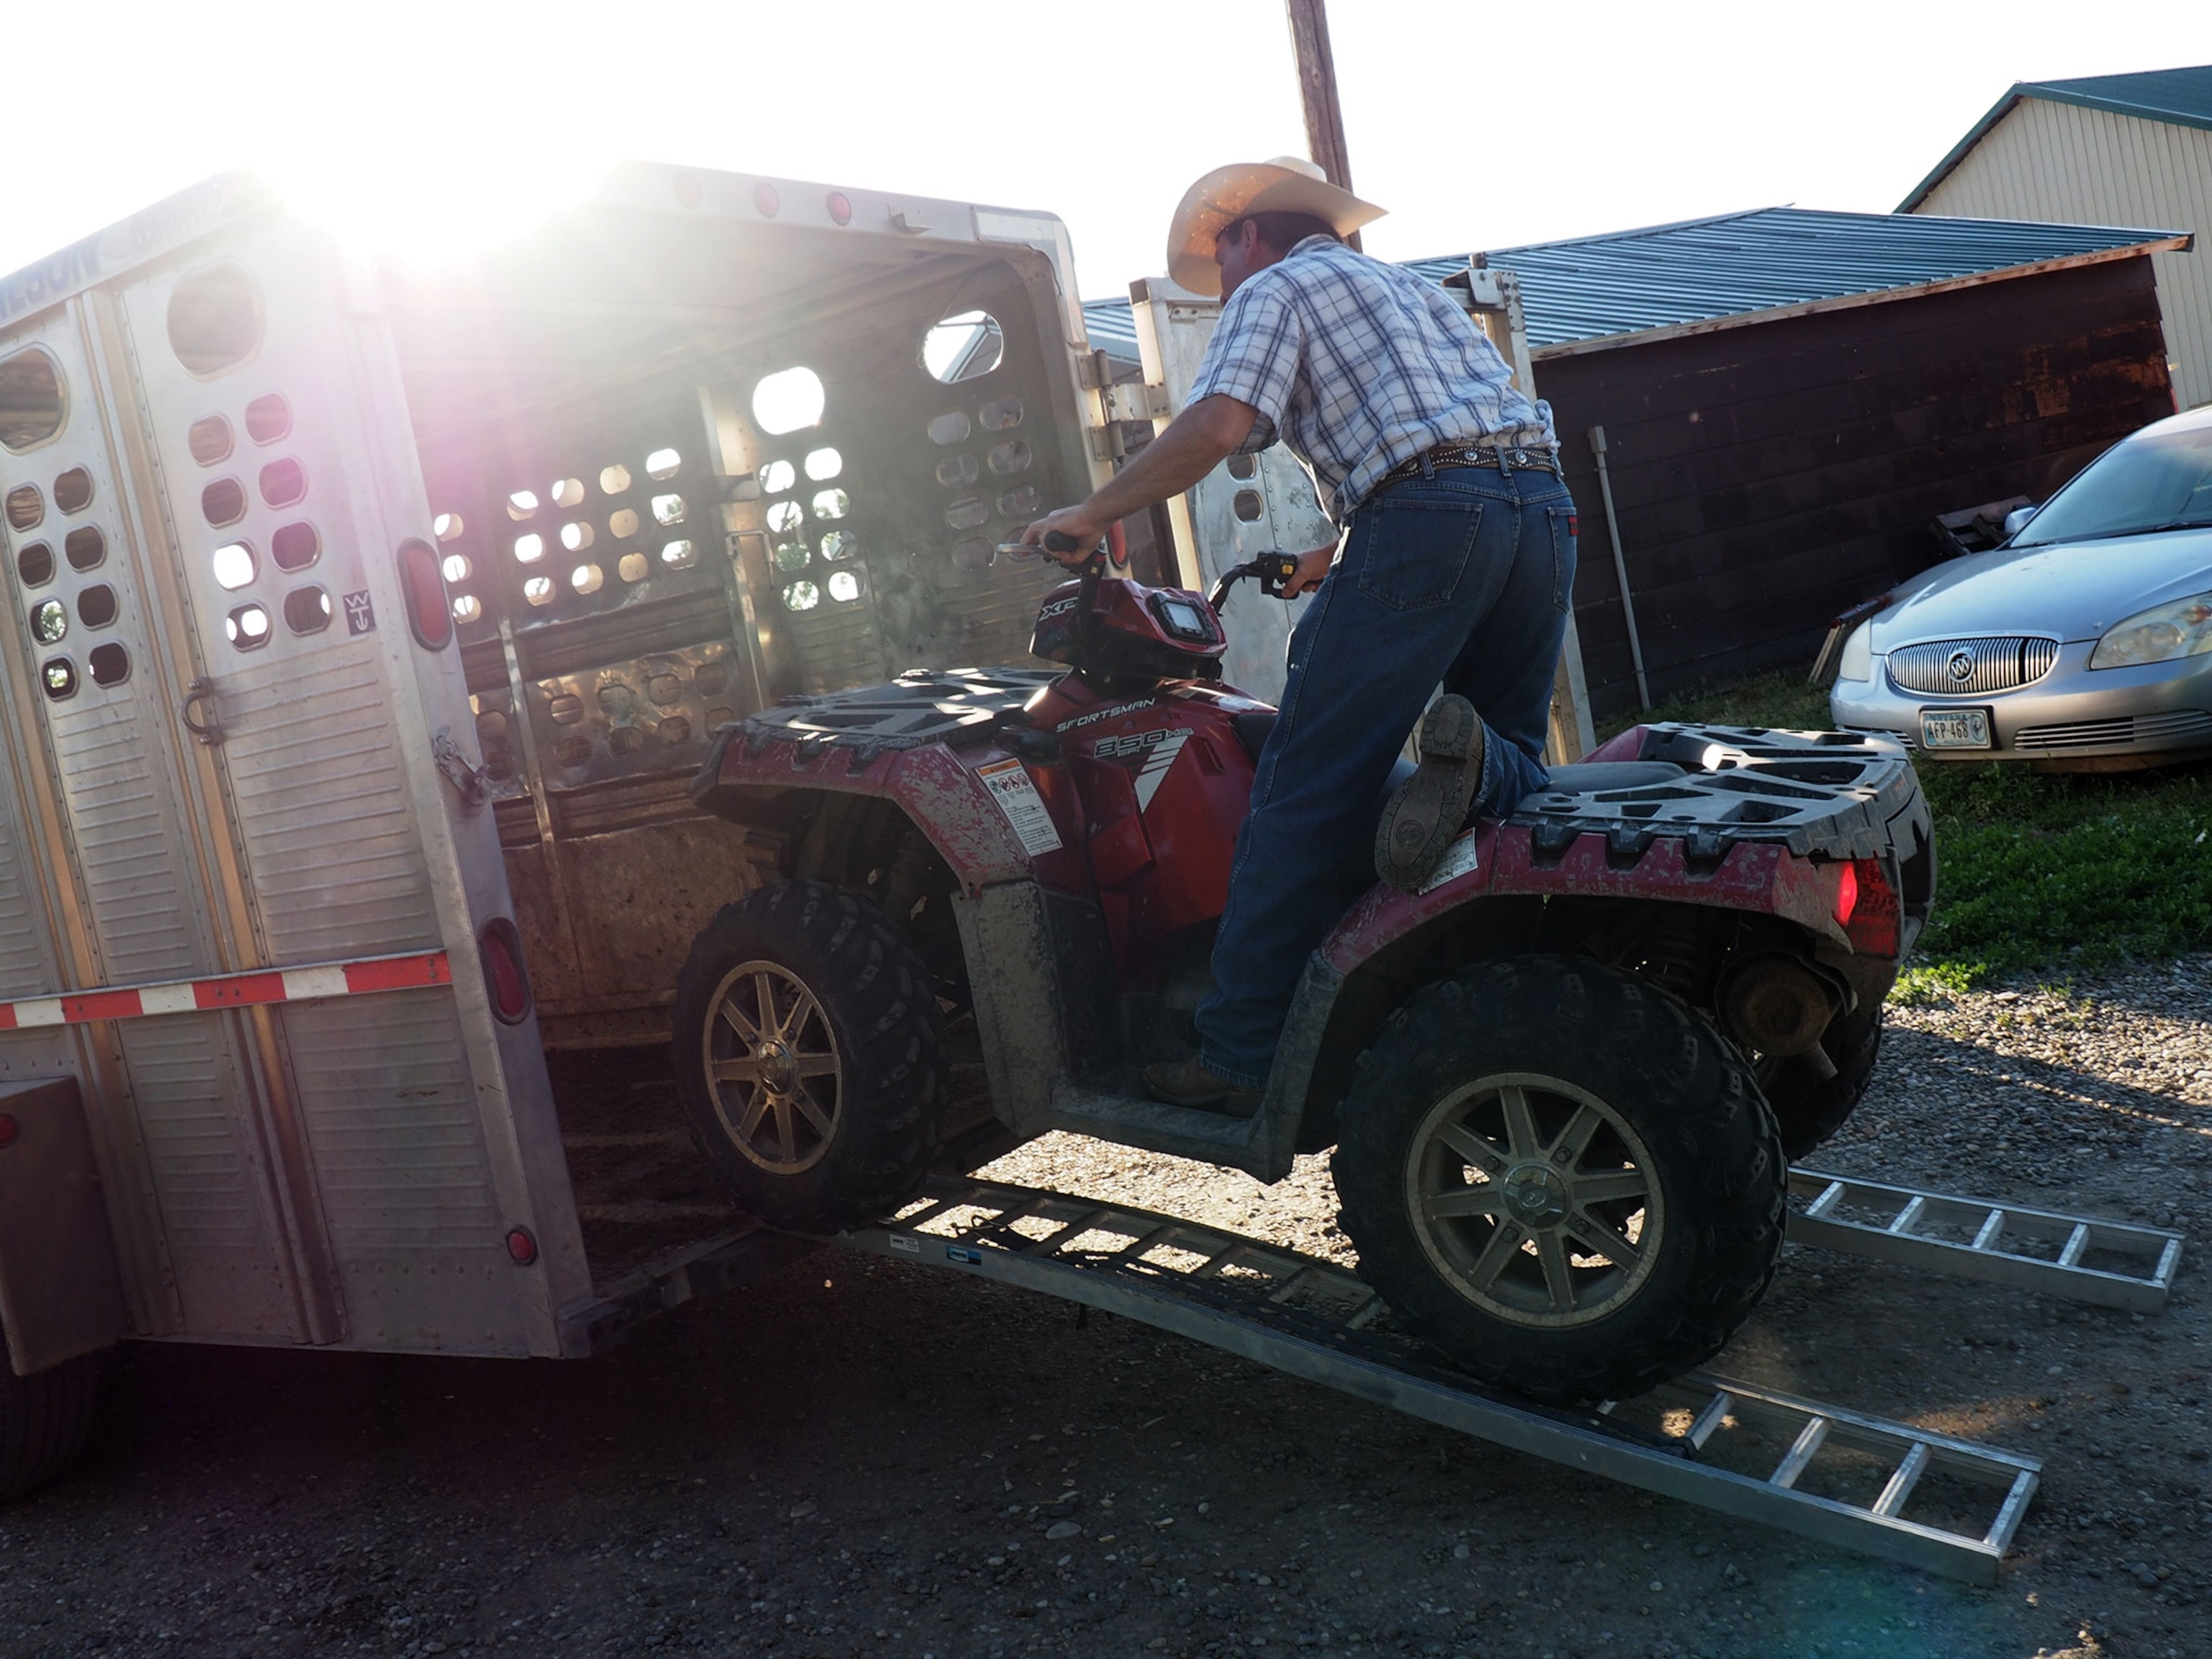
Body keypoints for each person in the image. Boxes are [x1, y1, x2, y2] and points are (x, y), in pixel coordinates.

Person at [1022, 156, 1576, 1112]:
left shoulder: (1275, 286)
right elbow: (1464, 452)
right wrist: (1333, 555)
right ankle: (1496, 970)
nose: (1222, 276)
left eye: (1220, 254)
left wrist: (1093, 510)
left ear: (1246, 231)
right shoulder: (1412, 294)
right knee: (1508, 754)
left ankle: (1236, 1053)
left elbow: (1222, 422)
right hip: (1539, 506)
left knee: (1303, 783)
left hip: (1430, 516)